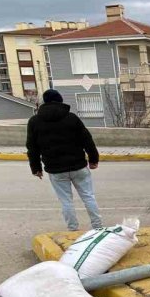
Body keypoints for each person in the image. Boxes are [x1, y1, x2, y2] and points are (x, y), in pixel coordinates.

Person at [27, 89, 103, 231]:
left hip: (56, 170)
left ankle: (73, 229)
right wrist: (93, 159)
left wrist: (36, 168)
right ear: (60, 100)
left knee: (66, 201)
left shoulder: (34, 122)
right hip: (78, 166)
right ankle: (98, 227)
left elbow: (32, 148)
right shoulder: (72, 118)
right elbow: (87, 140)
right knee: (88, 196)